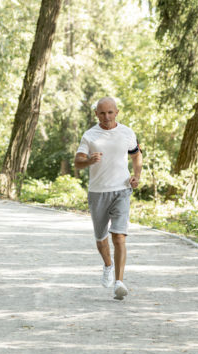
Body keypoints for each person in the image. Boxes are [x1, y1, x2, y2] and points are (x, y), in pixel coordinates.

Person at [74, 97, 143, 300]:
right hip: (98, 192)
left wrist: (136, 176)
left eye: (110, 112)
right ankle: (108, 265)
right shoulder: (90, 135)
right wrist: (88, 160)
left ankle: (119, 282)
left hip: (122, 189)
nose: (107, 117)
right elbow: (78, 161)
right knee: (101, 238)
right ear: (96, 114)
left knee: (119, 236)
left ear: (117, 112)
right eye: (102, 113)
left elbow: (136, 155)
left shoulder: (127, 132)